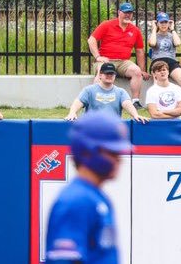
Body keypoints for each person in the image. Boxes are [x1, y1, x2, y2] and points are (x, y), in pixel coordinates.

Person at [45, 110, 130, 264]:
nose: (119, 159)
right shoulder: (76, 201)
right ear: (86, 152)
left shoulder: (97, 197)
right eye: (112, 152)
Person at [88, 2, 149, 109]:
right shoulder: (107, 24)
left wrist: (142, 69)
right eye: (125, 12)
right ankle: (94, 102)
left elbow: (139, 51)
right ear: (119, 12)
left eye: (130, 13)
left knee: (136, 71)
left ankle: (135, 101)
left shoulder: (135, 30)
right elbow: (91, 40)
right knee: (101, 72)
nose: (128, 15)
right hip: (105, 59)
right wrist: (98, 57)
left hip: (124, 62)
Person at [65, 62, 149, 123]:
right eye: (107, 73)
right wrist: (72, 113)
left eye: (112, 74)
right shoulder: (89, 90)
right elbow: (78, 102)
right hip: (91, 128)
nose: (109, 76)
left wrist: (135, 115)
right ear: (100, 75)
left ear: (115, 75)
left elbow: (127, 104)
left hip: (112, 129)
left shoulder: (121, 92)